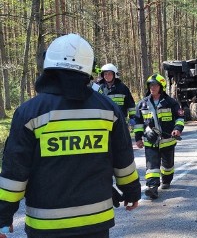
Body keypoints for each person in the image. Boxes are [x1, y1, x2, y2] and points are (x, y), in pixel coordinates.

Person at [0, 34, 140, 238]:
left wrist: (3, 216)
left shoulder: (30, 112)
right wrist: (131, 191)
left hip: (46, 225)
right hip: (96, 221)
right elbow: (123, 159)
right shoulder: (108, 110)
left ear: (48, 65)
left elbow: (15, 172)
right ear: (88, 68)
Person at [133, 73, 185, 200]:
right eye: (151, 85)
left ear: (161, 86)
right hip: (150, 141)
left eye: (155, 85)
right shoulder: (142, 104)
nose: (153, 87)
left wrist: (177, 129)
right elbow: (138, 123)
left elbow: (180, 117)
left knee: (167, 167)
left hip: (167, 141)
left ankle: (166, 180)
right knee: (152, 166)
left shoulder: (171, 102)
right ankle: (152, 188)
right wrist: (138, 138)